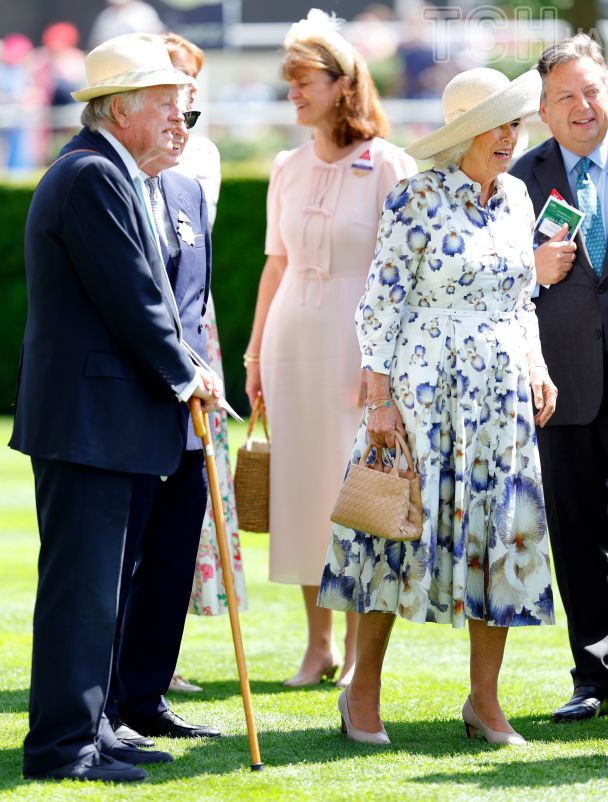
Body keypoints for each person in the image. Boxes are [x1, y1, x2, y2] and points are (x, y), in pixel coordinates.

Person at [318, 66, 557, 746]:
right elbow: (381, 301)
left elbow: (521, 301)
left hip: (501, 398)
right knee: (392, 536)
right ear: (465, 136)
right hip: (423, 396)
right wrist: (380, 397)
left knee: (499, 539)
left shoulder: (516, 198)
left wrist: (537, 368)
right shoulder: (413, 197)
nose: (511, 137)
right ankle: (360, 695)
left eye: (516, 123)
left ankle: (485, 702)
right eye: (498, 126)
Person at [9, 33, 221, 783]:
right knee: (83, 592)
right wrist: (188, 373)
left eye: (181, 104)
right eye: (165, 103)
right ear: (120, 108)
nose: (178, 116)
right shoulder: (92, 175)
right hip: (88, 425)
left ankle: (93, 730)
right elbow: (133, 295)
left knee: (103, 592)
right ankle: (62, 749)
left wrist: (188, 369)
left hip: (109, 424)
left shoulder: (118, 174)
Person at [244, 9, 415, 688]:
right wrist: (255, 355)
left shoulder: (387, 165)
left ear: (344, 85)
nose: (292, 91)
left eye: (302, 78)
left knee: (352, 495)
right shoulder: (285, 166)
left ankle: (353, 652)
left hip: (355, 350)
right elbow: (275, 265)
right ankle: (315, 646)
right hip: (292, 343)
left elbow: (402, 275)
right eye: (287, 79)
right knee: (298, 493)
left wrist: (388, 370)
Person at [104, 83, 222, 741]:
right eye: (173, 116)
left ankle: (146, 698)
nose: (183, 129)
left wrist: (203, 374)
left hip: (190, 410)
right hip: (128, 405)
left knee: (174, 559)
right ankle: (106, 705)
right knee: (120, 564)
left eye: (191, 118)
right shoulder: (104, 190)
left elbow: (193, 304)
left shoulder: (188, 193)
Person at [511, 34, 608, 723]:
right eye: (566, 96)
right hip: (566, 386)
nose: (583, 106)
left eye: (593, 90)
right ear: (543, 111)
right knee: (576, 537)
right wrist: (531, 274)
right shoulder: (517, 181)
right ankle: (594, 677)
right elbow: (492, 288)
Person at [164, 33, 247, 693]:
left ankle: (161, 648)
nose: (186, 94)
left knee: (195, 483)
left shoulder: (203, 155)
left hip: (193, 322)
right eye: (173, 80)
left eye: (192, 81)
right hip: (151, 320)